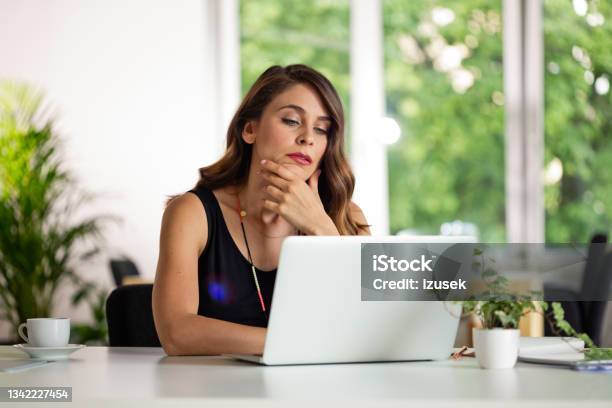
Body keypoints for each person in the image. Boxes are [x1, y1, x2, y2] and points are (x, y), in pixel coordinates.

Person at [152, 64, 370, 356]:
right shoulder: (192, 213)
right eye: (292, 121)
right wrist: (298, 343)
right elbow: (177, 335)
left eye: (322, 129)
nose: (308, 137)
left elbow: (369, 332)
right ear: (250, 129)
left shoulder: (347, 216)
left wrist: (322, 228)